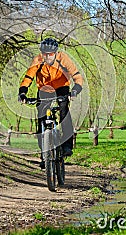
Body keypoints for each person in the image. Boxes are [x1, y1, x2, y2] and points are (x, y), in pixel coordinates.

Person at [18, 37, 83, 168]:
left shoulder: (63, 58)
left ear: (56, 53)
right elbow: (28, 77)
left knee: (64, 111)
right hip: (44, 89)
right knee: (41, 119)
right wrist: (23, 92)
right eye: (44, 54)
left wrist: (75, 90)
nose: (47, 57)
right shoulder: (38, 60)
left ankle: (67, 146)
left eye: (50, 54)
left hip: (61, 87)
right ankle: (44, 155)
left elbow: (77, 77)